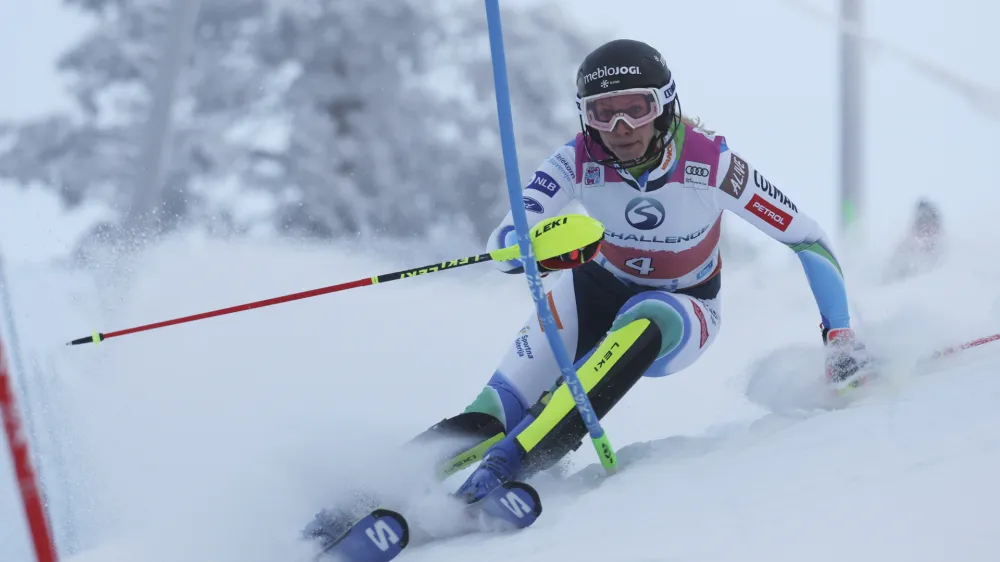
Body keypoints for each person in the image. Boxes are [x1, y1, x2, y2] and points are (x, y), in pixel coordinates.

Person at [306, 38, 873, 545]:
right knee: (493, 410)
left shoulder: (712, 165)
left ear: (665, 106)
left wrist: (839, 335)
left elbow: (810, 241)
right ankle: (364, 498)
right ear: (586, 118)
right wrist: (528, 247)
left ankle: (503, 472)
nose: (622, 129)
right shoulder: (576, 160)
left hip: (684, 307)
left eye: (637, 108)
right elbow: (507, 235)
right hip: (593, 288)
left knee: (646, 316)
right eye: (604, 113)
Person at [882, 198, 944, 283]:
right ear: (915, 228)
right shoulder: (904, 253)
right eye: (923, 227)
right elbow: (888, 281)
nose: (928, 231)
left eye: (932, 225)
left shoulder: (947, 252)